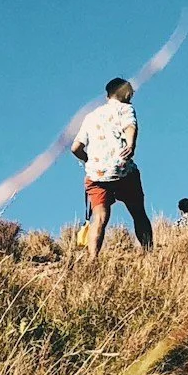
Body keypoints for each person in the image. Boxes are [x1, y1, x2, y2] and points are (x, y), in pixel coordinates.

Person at [72, 77, 154, 255]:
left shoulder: (90, 116)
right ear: (124, 92)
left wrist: (89, 160)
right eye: (131, 91)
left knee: (99, 217)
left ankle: (93, 260)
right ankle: (149, 254)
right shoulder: (125, 109)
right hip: (122, 170)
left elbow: (75, 147)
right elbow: (130, 126)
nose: (132, 94)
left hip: (96, 174)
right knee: (138, 212)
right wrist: (131, 145)